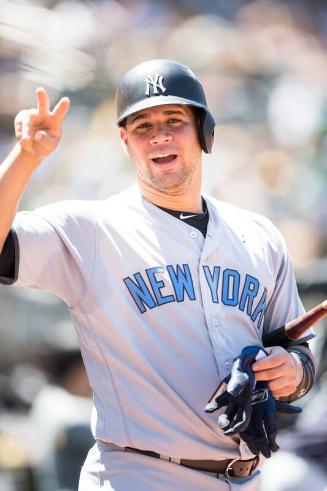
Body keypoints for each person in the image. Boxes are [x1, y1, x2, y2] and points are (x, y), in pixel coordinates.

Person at [0, 59, 316, 491]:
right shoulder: (92, 229)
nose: (160, 135)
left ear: (204, 131)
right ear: (125, 141)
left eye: (174, 120)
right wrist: (25, 158)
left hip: (249, 479)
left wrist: (292, 372)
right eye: (143, 125)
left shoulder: (259, 235)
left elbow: (297, 353)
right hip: (141, 474)